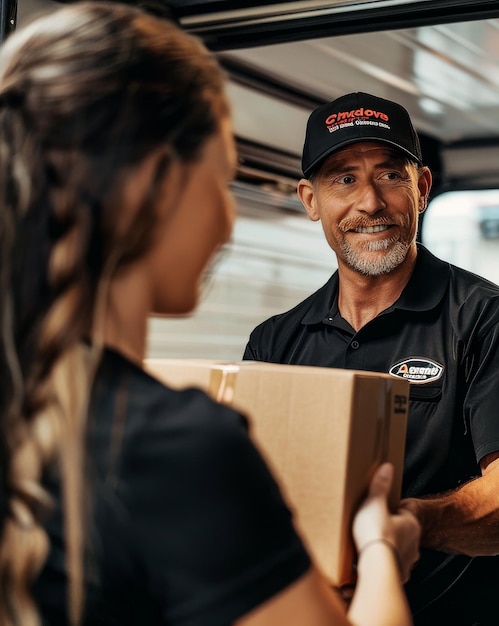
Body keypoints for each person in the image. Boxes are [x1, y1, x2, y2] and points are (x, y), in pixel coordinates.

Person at [0, 9, 421, 626]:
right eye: (220, 179)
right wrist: (381, 546)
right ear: (157, 184)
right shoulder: (175, 446)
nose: (228, 221)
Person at [243, 91, 499, 625]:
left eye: (391, 175)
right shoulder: (274, 343)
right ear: (309, 200)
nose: (370, 202)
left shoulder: (493, 321)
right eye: (343, 178)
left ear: (422, 188)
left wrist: (415, 524)